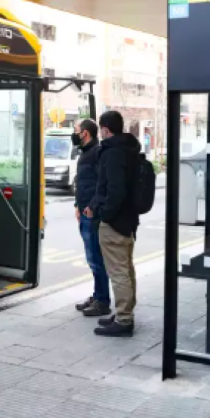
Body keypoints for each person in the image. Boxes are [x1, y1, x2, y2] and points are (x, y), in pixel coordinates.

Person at [84, 110, 140, 337]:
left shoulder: (112, 153)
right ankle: (123, 313)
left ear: (106, 129)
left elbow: (114, 190)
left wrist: (104, 214)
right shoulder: (129, 150)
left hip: (115, 222)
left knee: (118, 271)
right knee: (126, 269)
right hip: (128, 220)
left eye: (102, 129)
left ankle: (124, 320)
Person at [71, 119, 110, 317]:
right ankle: (97, 295)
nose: (74, 133)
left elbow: (100, 184)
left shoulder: (96, 153)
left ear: (85, 133)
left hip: (92, 214)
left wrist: (91, 208)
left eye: (75, 130)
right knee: (92, 257)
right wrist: (78, 206)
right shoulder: (86, 153)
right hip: (84, 211)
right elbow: (82, 183)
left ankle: (103, 300)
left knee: (96, 258)